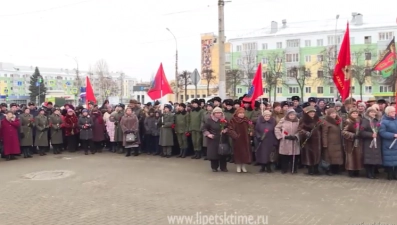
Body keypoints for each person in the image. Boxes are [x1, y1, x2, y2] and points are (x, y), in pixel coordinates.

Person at [202, 107, 229, 172]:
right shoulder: (209, 120)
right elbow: (204, 129)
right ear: (213, 113)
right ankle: (214, 167)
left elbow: (229, 126)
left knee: (223, 153)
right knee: (214, 154)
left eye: (219, 113)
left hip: (222, 138)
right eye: (216, 113)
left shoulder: (224, 119)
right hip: (213, 139)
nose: (218, 114)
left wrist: (226, 130)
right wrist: (208, 134)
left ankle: (223, 167)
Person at [228, 107, 253, 173]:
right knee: (238, 153)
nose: (242, 114)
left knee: (245, 153)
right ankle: (238, 166)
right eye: (240, 113)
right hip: (238, 140)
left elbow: (251, 126)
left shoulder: (247, 120)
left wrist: (251, 131)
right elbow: (230, 129)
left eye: (243, 113)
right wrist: (236, 136)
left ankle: (243, 166)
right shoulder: (233, 120)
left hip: (245, 139)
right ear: (237, 113)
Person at [298, 106, 322, 175]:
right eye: (310, 112)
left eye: (313, 112)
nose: (312, 113)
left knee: (317, 155)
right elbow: (299, 129)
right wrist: (305, 132)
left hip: (317, 141)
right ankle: (310, 169)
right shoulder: (303, 120)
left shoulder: (317, 119)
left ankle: (316, 169)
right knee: (309, 155)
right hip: (308, 141)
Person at [360, 107, 382, 179]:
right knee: (368, 158)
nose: (373, 113)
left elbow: (379, 129)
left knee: (374, 158)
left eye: (374, 112)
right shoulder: (365, 121)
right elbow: (361, 132)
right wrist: (370, 135)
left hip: (376, 141)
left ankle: (373, 173)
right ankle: (368, 173)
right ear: (368, 113)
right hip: (368, 142)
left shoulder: (377, 121)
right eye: (371, 112)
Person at [274, 109, 300, 174]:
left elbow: (300, 130)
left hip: (294, 141)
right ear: (288, 115)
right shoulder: (283, 120)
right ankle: (284, 169)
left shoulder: (298, 121)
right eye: (290, 115)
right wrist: (282, 136)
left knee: (294, 155)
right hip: (285, 140)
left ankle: (294, 169)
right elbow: (277, 128)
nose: (292, 116)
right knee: (284, 156)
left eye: (293, 115)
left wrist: (296, 136)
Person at [321, 108, 344, 175]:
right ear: (328, 114)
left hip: (338, 142)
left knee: (337, 156)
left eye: (334, 113)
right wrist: (325, 144)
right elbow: (324, 134)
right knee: (329, 157)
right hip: (330, 142)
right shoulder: (326, 122)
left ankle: (336, 169)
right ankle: (328, 170)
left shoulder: (338, 121)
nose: (333, 115)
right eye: (331, 114)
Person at [342, 108, 363, 177]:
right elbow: (344, 132)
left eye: (356, 113)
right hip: (350, 142)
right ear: (350, 114)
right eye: (353, 113)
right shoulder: (348, 121)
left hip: (358, 141)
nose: (355, 114)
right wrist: (353, 135)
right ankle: (350, 171)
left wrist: (360, 133)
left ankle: (357, 170)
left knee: (358, 156)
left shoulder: (359, 120)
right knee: (351, 156)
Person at [379, 106, 397, 180]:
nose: (394, 113)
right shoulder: (384, 121)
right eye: (392, 112)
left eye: (394, 111)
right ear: (388, 113)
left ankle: (395, 175)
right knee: (389, 160)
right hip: (389, 144)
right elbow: (382, 132)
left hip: (396, 144)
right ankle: (389, 175)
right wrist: (393, 135)